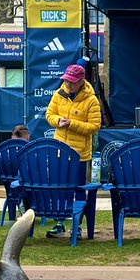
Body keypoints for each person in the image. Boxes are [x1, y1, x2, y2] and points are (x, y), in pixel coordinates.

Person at [44, 64, 103, 238]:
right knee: (60, 188)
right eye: (66, 81)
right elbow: (49, 115)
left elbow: (94, 126)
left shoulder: (91, 100)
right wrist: (57, 121)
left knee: (78, 189)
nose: (68, 85)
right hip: (59, 152)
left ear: (81, 81)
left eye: (71, 82)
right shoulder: (58, 94)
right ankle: (60, 222)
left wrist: (72, 123)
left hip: (80, 153)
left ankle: (77, 226)